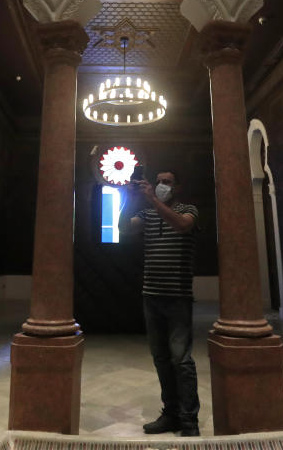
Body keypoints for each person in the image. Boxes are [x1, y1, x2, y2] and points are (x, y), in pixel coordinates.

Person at [119, 169, 201, 437]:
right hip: (151, 296)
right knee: (161, 359)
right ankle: (171, 414)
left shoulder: (189, 209)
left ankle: (189, 421)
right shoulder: (147, 213)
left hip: (178, 297)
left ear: (177, 187)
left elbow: (182, 225)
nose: (162, 185)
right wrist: (129, 198)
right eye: (159, 182)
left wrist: (152, 199)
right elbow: (123, 228)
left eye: (167, 182)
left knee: (181, 360)